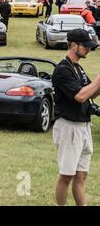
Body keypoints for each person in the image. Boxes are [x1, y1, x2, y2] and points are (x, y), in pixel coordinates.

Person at [52, 29, 100, 206]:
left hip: (83, 125)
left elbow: (91, 92)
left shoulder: (78, 68)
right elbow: (80, 96)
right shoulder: (63, 70)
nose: (88, 50)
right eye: (85, 46)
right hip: (69, 127)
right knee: (66, 176)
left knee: (81, 175)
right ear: (73, 45)